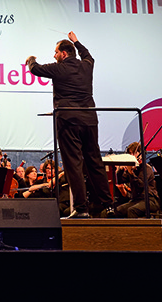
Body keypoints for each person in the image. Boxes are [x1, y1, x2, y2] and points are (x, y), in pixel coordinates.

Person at [27, 31, 110, 218]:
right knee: (95, 163)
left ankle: (81, 208)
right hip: (89, 120)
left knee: (73, 164)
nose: (54, 56)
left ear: (64, 54)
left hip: (68, 121)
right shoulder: (87, 65)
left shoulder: (59, 68)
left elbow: (35, 69)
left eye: (56, 52)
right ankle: (108, 205)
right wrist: (77, 41)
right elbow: (88, 55)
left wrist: (30, 59)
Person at [113, 142, 159, 218]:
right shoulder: (133, 168)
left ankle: (134, 227)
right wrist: (121, 170)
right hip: (136, 200)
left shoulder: (146, 168)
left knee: (132, 210)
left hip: (149, 200)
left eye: (132, 153)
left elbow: (140, 185)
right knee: (117, 211)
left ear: (139, 154)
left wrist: (131, 173)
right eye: (130, 153)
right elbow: (120, 180)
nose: (131, 156)